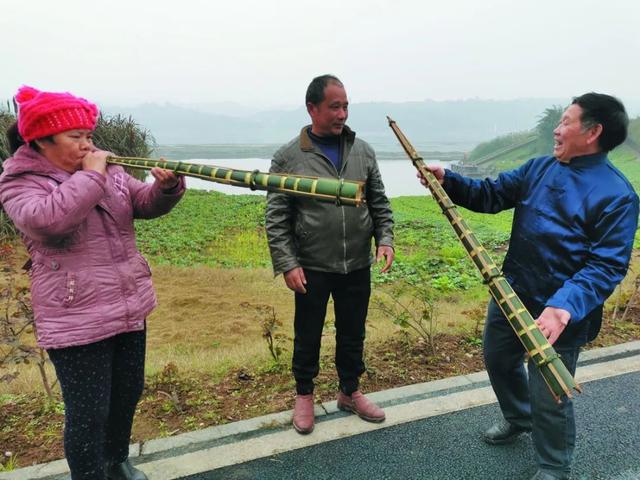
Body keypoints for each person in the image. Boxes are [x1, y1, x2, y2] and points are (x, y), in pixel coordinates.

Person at [420, 93, 638, 480]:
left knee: (550, 391)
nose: (556, 129)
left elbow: (606, 266)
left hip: (561, 313)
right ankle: (518, 417)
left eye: (566, 121)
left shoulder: (617, 195)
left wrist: (563, 306)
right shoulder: (539, 168)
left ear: (593, 132)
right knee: (498, 359)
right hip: (512, 293)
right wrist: (447, 180)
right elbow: (490, 195)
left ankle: (554, 466)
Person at [0, 86, 185, 480]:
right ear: (41, 140)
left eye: (89, 135)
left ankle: (117, 460)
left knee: (125, 395)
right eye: (76, 137)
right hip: (75, 315)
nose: (88, 144)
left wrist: (166, 188)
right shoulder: (20, 181)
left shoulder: (110, 173)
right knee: (88, 412)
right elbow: (49, 221)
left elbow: (144, 204)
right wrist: (92, 176)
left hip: (127, 303)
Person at [265, 74, 395, 434]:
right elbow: (276, 217)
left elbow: (379, 202)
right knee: (308, 332)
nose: (342, 114)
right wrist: (288, 263)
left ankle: (349, 391)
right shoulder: (290, 156)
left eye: (346, 106)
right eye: (334, 107)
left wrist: (385, 239)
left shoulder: (363, 151)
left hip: (355, 262)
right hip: (312, 264)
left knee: (352, 332)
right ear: (313, 109)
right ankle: (304, 395)